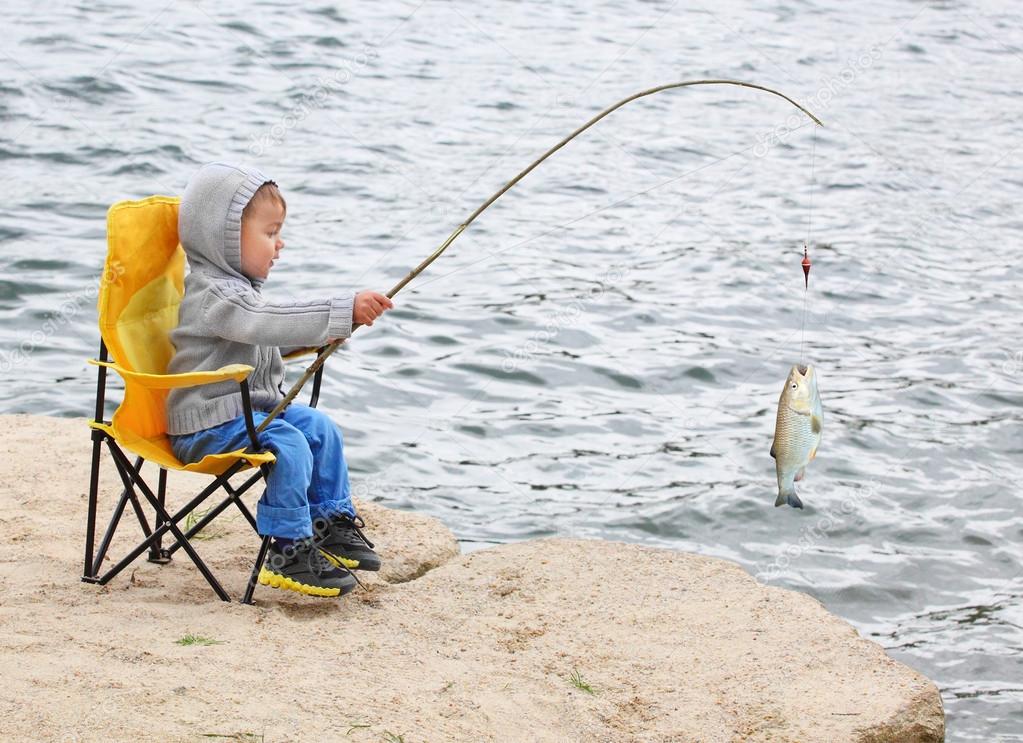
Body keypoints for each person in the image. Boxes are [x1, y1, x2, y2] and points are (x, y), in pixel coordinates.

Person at [166, 162, 393, 598]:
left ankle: (330, 523)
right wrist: (340, 309)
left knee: (320, 428)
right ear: (225, 237)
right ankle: (287, 549)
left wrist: (321, 337)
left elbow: (258, 339)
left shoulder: (239, 292)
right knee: (289, 443)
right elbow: (258, 323)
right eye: (269, 233)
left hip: (249, 415)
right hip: (207, 425)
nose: (279, 244)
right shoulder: (215, 294)